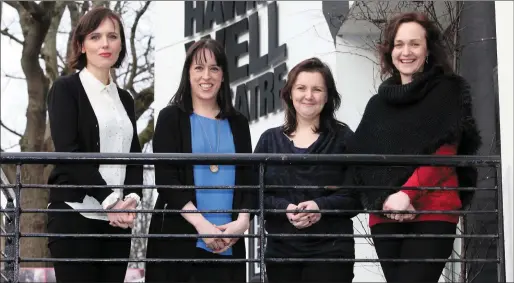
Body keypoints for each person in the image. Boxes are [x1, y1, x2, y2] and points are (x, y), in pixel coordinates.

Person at [342, 12, 482, 283]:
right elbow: (364, 161)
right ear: (390, 51)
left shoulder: (448, 91)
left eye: (414, 44)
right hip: (384, 218)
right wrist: (383, 199)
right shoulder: (378, 105)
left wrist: (407, 194)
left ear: (428, 49)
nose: (406, 52)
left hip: (432, 211)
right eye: (399, 44)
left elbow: (445, 152)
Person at [145, 38, 256, 283]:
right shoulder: (170, 117)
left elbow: (248, 178)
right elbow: (166, 179)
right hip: (179, 243)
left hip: (230, 241)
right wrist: (202, 225)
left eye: (214, 68)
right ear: (188, 73)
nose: (207, 76)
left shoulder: (238, 123)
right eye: (199, 68)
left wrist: (243, 221)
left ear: (224, 75)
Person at [46, 6, 143, 283]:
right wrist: (109, 200)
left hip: (118, 222)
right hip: (75, 217)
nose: (105, 44)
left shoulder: (125, 99)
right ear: (81, 44)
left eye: (112, 36)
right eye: (95, 36)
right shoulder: (66, 89)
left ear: (121, 44)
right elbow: (68, 152)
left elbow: (133, 155)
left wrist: (132, 200)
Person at [254, 57, 359, 283]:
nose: (308, 96)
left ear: (328, 96)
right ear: (290, 93)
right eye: (301, 88)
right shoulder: (269, 141)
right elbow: (254, 193)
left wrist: (321, 207)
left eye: (317, 89)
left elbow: (356, 194)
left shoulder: (343, 138)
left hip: (331, 252)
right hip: (281, 252)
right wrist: (285, 209)